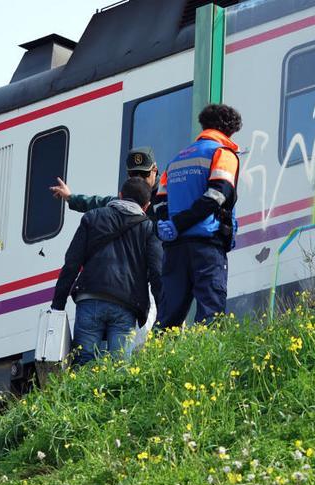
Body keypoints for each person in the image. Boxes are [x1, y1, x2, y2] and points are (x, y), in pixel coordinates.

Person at [51, 177, 162, 366]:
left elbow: (71, 264)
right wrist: (164, 314)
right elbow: (157, 273)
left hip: (90, 299)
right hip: (126, 305)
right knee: (120, 366)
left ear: (120, 196)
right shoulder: (148, 228)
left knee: (84, 362)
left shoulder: (92, 217)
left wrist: (57, 306)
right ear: (146, 206)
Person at [154, 104, 242, 328]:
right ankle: (209, 360)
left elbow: (160, 201)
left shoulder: (175, 161)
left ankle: (160, 359)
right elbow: (218, 194)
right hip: (206, 245)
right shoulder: (222, 153)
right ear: (229, 130)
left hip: (174, 248)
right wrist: (180, 222)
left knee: (169, 316)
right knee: (211, 311)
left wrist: (167, 224)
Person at [50, 147, 162, 220]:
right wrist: (70, 197)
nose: (139, 179)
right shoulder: (124, 201)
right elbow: (95, 203)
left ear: (155, 170)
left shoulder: (167, 192)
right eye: (134, 174)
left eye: (144, 174)